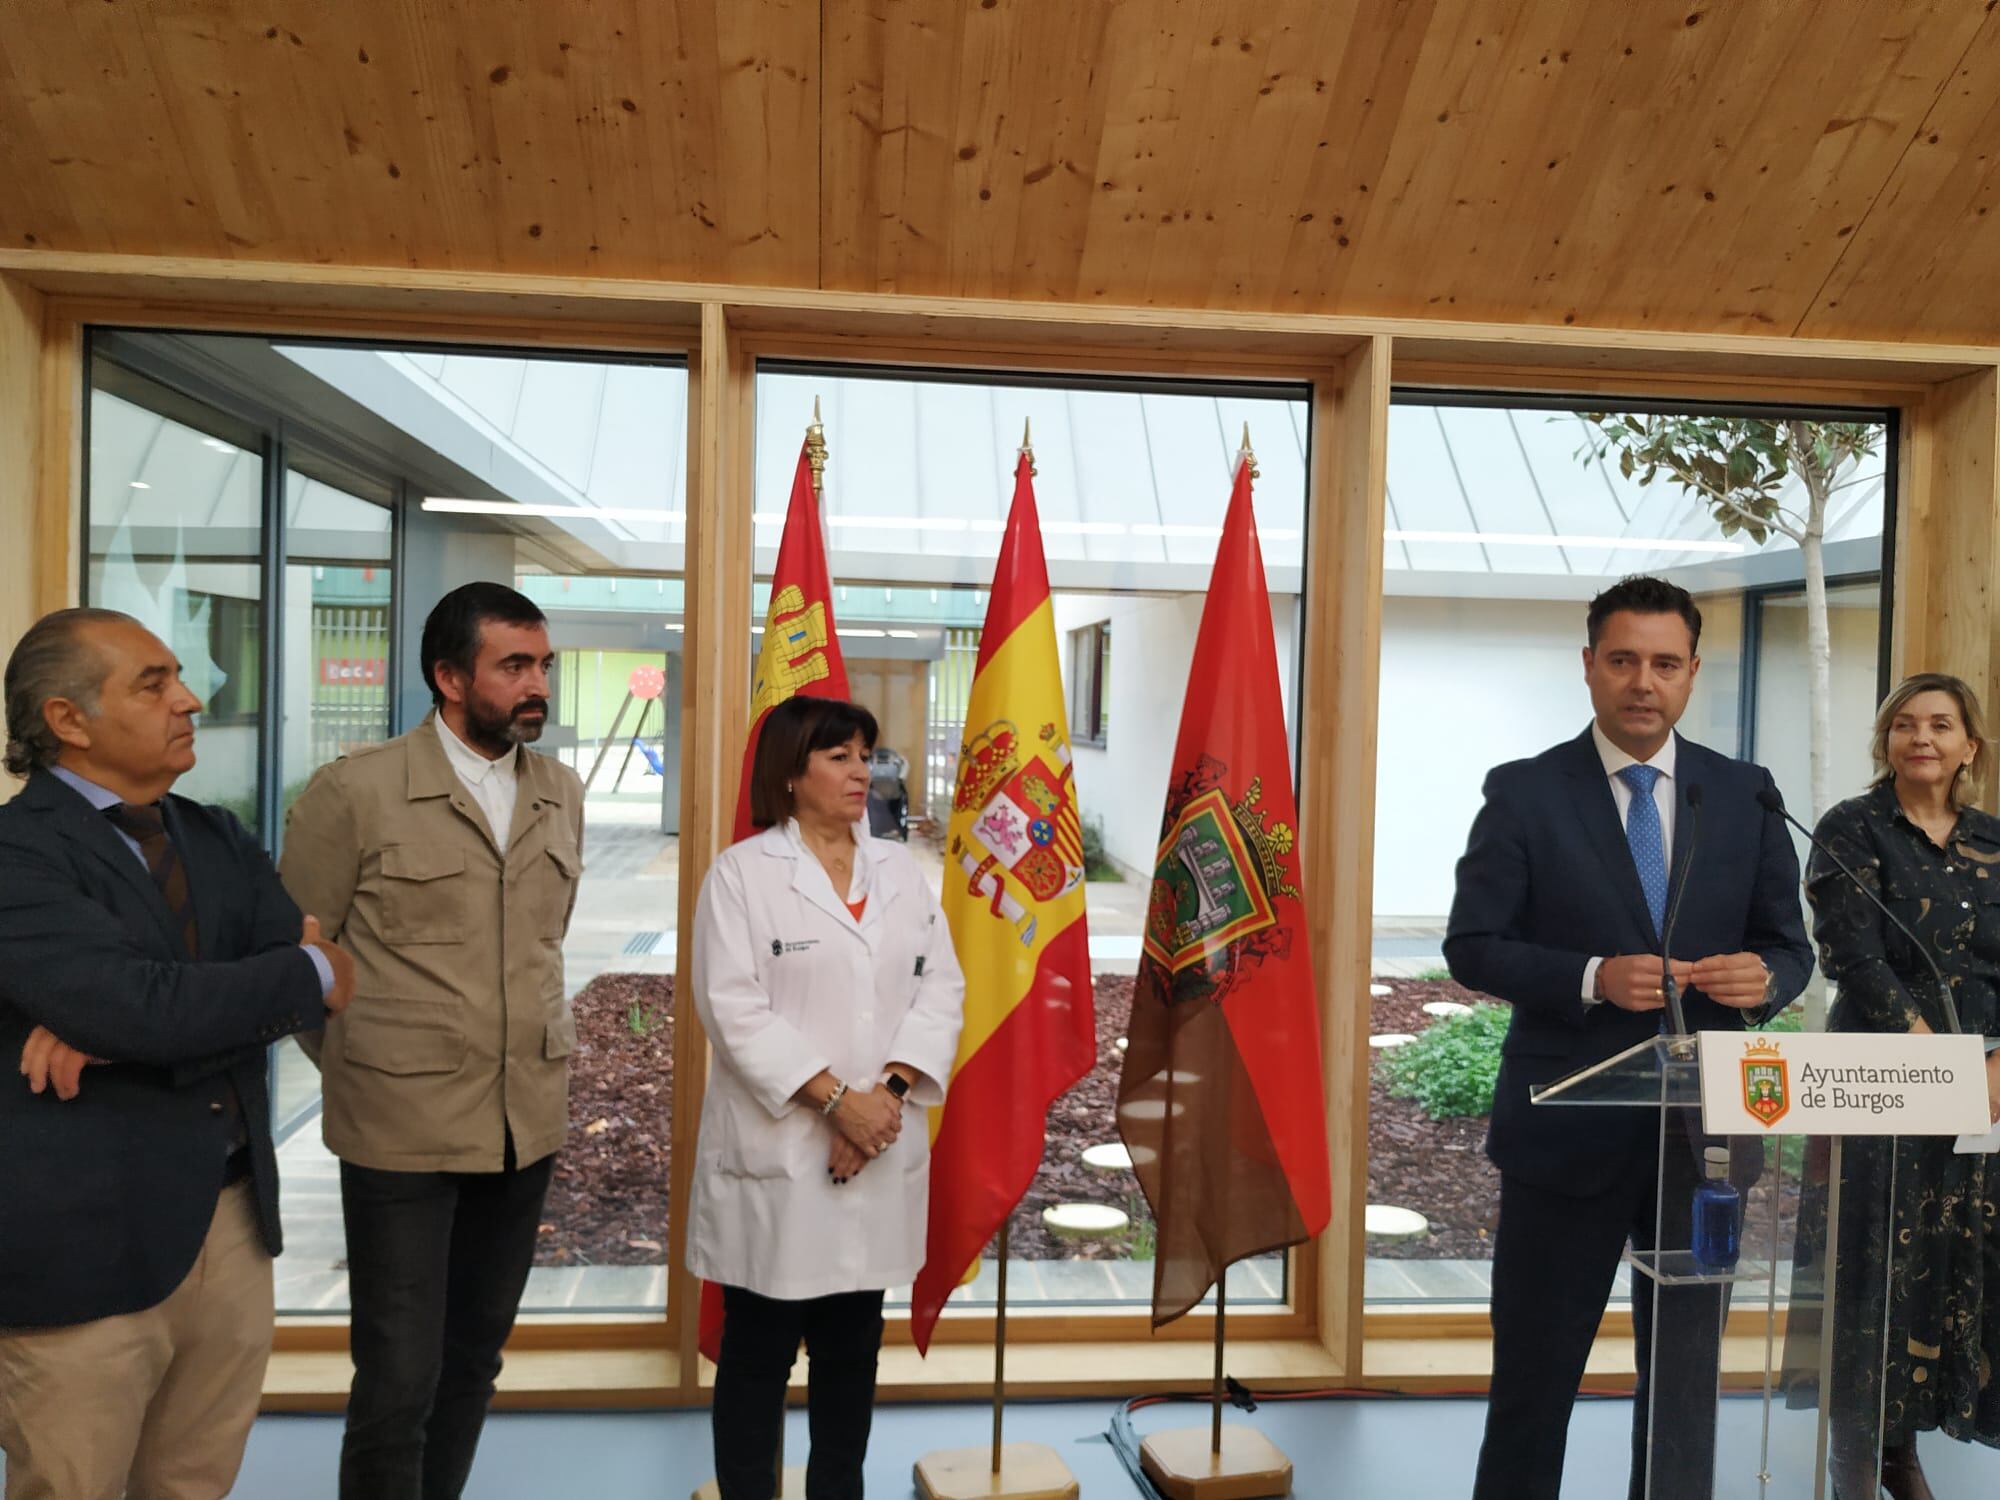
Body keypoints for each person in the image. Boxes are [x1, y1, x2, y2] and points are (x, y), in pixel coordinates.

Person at [1444, 574, 1814, 1500]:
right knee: (1534, 1381)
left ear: (1692, 673)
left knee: (1686, 1386)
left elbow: (1789, 948)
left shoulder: (1747, 795)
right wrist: (1587, 978)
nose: (1641, 682)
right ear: (1589, 668)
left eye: (1662, 663)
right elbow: (1472, 946)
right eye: (1622, 661)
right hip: (1563, 1137)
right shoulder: (1526, 792)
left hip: (1706, 1147)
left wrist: (1764, 981)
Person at [0, 607, 353, 1500]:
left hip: (232, 1222)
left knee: (196, 1481)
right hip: (86, 1244)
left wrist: (124, 1030)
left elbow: (316, 969)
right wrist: (155, 1013)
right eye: (153, 684)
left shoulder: (213, 833)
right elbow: (270, 980)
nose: (189, 698)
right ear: (67, 720)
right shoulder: (17, 853)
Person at [279, 582, 584, 1500]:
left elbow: (543, 943)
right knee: (397, 1375)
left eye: (544, 666)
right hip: (398, 1132)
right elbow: (294, 964)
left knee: (472, 1360)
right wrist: (369, 1069)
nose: (538, 686)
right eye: (515, 666)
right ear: (449, 677)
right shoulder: (355, 791)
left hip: (521, 1125)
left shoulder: (559, 792)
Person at [687, 694, 964, 1500]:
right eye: (839, 756)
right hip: (781, 1158)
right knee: (758, 1359)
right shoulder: (742, 876)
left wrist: (885, 1098)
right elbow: (734, 1011)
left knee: (852, 1359)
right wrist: (839, 1102)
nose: (861, 771)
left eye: (865, 754)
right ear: (789, 772)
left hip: (874, 1146)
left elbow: (940, 989)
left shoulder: (900, 872)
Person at [1805, 673, 2000, 1500]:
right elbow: (1852, 954)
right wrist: (1937, 1061)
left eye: (1941, 725)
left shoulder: (1995, 839)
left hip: (1988, 1088)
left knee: (1963, 1262)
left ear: (1969, 746)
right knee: (1878, 1264)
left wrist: (1992, 1066)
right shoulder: (1851, 828)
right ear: (1885, 741)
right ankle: (1866, 1452)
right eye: (1906, 725)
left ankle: (1911, 1444)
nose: (1923, 738)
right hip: (1882, 1076)